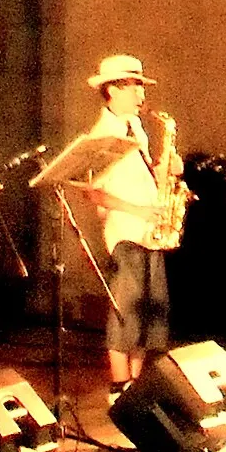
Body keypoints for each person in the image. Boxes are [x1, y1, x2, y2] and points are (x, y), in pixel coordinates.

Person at [74, 53, 174, 388]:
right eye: (134, 87)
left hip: (149, 233)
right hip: (126, 232)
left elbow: (143, 175)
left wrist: (166, 168)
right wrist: (138, 210)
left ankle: (136, 384)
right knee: (126, 315)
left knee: (149, 315)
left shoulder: (137, 128)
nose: (142, 95)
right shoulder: (104, 135)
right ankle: (120, 387)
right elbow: (94, 193)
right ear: (113, 90)